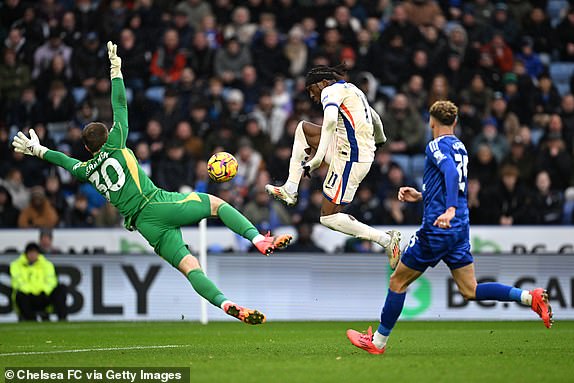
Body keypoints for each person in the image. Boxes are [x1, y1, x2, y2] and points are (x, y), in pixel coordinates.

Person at [12, 42, 292, 325]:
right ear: (107, 135)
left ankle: (226, 304)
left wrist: (38, 150)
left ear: (86, 149)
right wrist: (116, 71)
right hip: (156, 204)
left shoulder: (85, 170)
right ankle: (259, 239)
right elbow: (119, 104)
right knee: (216, 205)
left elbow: (62, 160)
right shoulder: (117, 142)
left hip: (144, 226)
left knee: (190, 267)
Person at [347, 100, 553, 355]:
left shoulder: (435, 145)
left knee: (397, 281)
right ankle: (528, 297)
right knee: (470, 289)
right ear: (454, 122)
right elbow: (451, 181)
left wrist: (449, 209)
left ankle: (377, 342)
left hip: (438, 227)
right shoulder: (461, 147)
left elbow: (451, 175)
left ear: (431, 121)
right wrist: (423, 195)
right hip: (459, 229)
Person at [265, 64, 401, 268]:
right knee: (303, 128)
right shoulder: (353, 89)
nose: (312, 97)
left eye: (311, 90)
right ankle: (290, 188)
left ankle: (385, 240)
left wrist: (317, 160)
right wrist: (380, 138)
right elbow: (374, 116)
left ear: (322, 83)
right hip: (346, 149)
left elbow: (329, 124)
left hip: (351, 160)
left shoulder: (330, 91)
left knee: (328, 217)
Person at [10, 242, 67, 321]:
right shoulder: (16, 265)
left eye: (34, 252)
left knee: (61, 289)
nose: (32, 255)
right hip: (28, 296)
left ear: (38, 254)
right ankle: (31, 319)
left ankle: (62, 319)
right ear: (26, 254)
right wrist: (32, 292)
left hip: (44, 295)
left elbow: (52, 281)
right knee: (20, 295)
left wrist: (44, 291)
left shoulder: (47, 264)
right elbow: (17, 283)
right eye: (30, 253)